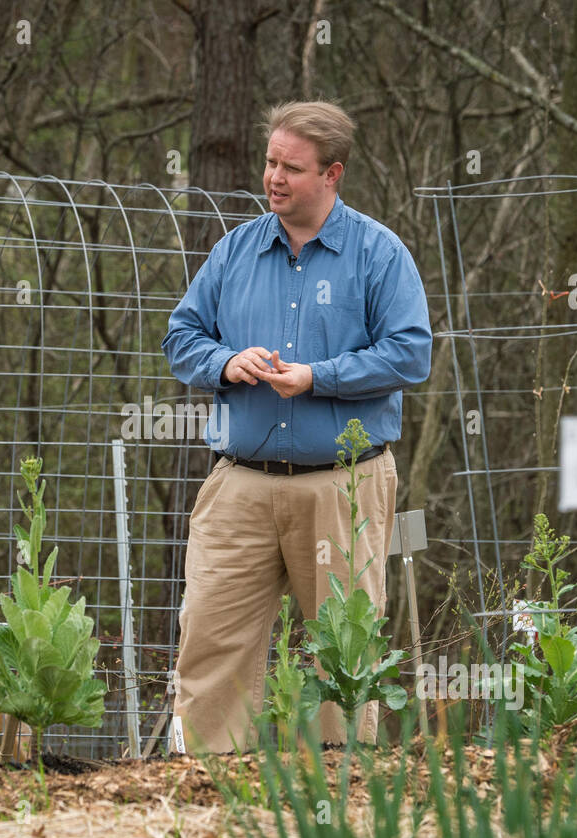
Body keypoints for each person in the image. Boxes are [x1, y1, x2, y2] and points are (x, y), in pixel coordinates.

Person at [161, 100, 432, 753]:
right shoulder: (235, 250)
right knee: (211, 637)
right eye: (270, 162)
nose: (274, 177)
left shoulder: (378, 253)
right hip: (239, 485)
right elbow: (180, 336)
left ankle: (340, 790)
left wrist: (320, 377)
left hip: (342, 486)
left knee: (342, 648)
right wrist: (226, 360)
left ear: (332, 173)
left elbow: (410, 353)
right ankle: (205, 782)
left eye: (293, 167)